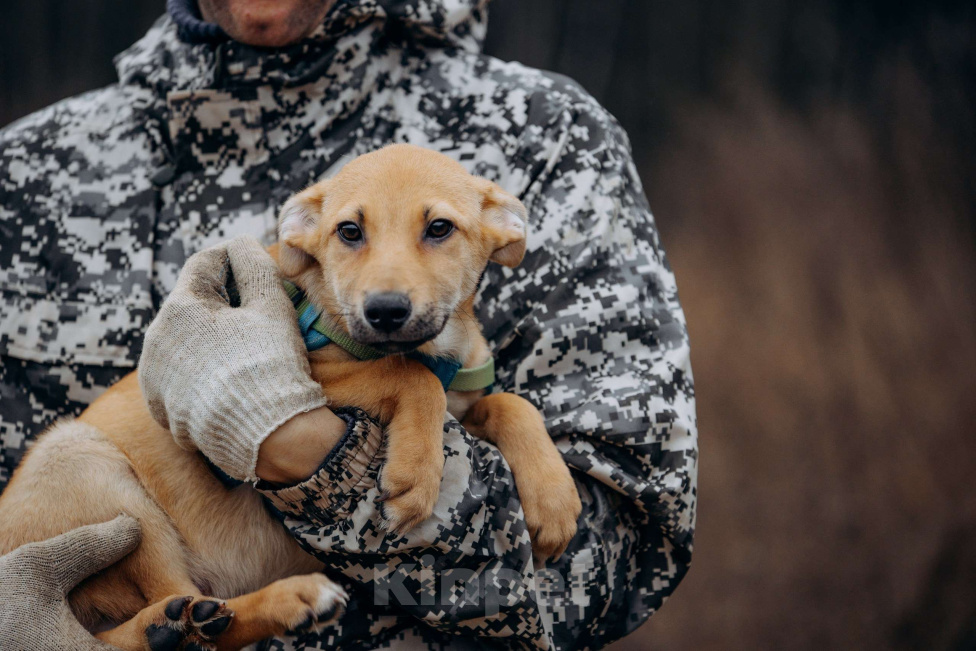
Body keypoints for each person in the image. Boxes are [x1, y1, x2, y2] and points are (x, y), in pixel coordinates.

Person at [0, 0, 698, 648]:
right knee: (71, 461)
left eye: (437, 232)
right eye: (353, 236)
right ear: (305, 233)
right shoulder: (25, 173)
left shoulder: (543, 136)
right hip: (128, 530)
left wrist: (313, 453)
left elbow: (613, 569)